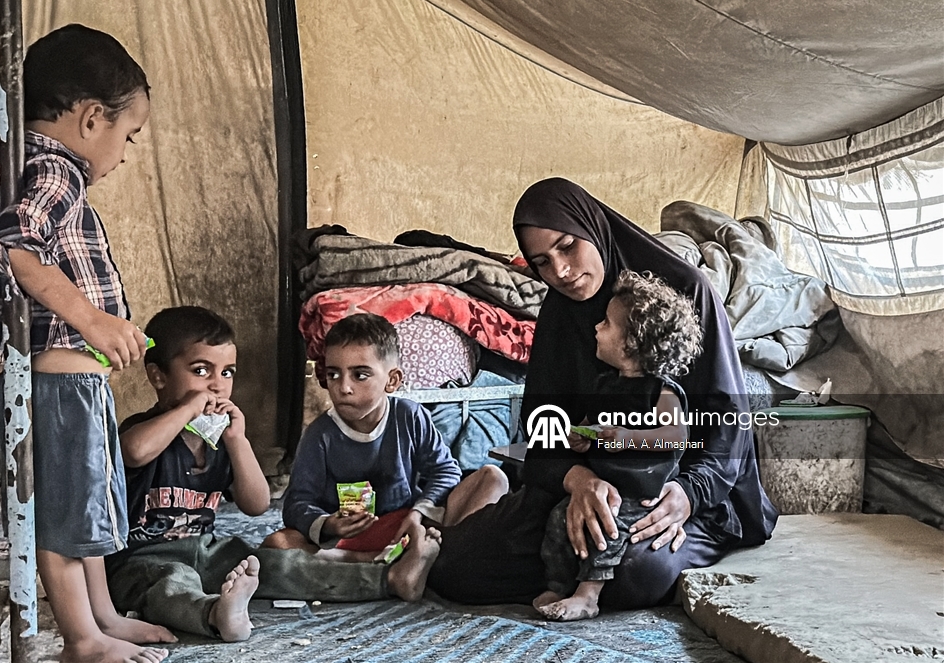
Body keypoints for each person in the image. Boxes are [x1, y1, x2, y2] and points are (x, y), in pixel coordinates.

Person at [0, 25, 171, 663]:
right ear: (91, 118)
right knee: (61, 518)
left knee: (81, 506)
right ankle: (82, 639)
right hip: (59, 385)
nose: (125, 152)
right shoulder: (57, 172)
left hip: (56, 383)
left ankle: (103, 617)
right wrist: (90, 319)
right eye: (129, 134)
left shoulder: (5, 166)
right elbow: (17, 246)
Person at [427, 177, 778, 609]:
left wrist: (689, 495)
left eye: (568, 246)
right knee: (457, 566)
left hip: (668, 490)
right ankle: (567, 566)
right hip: (579, 490)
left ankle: (584, 574)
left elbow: (726, 425)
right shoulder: (559, 313)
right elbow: (543, 429)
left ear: (591, 228)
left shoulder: (685, 291)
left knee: (634, 573)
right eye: (542, 262)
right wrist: (579, 480)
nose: (561, 271)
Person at [105, 307, 445, 642]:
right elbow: (135, 451)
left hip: (204, 550)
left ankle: (390, 579)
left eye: (227, 373)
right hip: (141, 559)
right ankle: (215, 614)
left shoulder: (219, 440)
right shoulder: (143, 429)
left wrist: (237, 440)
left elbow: (257, 504)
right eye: (201, 371)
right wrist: (187, 409)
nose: (217, 385)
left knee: (274, 563)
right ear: (158, 376)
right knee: (170, 583)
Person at [264, 313, 510, 560]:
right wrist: (329, 524)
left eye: (360, 375)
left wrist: (418, 514)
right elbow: (297, 503)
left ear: (392, 380)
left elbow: (445, 472)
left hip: (407, 526)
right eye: (334, 375)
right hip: (350, 540)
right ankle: (398, 561)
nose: (344, 387)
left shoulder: (410, 416)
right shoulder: (319, 435)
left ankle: (416, 556)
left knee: (493, 478)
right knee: (278, 543)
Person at [534, 269, 703, 621]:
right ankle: (557, 585)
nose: (596, 327)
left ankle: (588, 596)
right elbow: (591, 425)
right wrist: (581, 436)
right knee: (559, 519)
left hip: (639, 491)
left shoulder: (661, 392)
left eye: (607, 324)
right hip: (603, 482)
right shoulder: (604, 385)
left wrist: (628, 437)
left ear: (632, 343)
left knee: (607, 530)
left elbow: (676, 436)